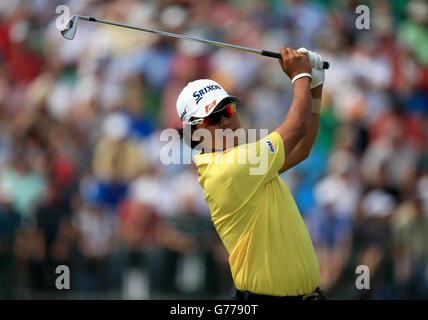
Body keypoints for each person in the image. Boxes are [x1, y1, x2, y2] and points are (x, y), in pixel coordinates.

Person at [176, 46, 326, 300]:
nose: (224, 120)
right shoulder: (230, 168)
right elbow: (298, 127)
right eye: (211, 119)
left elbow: (302, 149)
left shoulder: (245, 162)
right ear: (194, 133)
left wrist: (315, 85)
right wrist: (301, 76)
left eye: (227, 110)